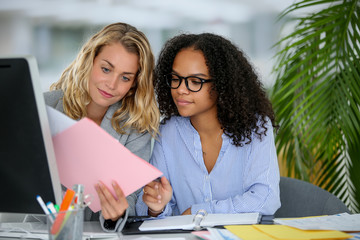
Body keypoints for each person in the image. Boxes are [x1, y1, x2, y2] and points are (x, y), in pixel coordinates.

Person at [136, 33, 281, 217]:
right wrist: (156, 206)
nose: (180, 89)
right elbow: (147, 205)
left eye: (195, 81)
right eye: (175, 79)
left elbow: (266, 198)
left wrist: (200, 212)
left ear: (222, 84)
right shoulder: (168, 132)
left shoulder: (256, 127)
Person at [44, 22, 160, 231]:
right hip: (34, 230)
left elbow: (129, 197)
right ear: (89, 61)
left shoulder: (136, 128)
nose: (112, 84)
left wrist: (116, 215)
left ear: (134, 84)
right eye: (106, 69)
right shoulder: (44, 106)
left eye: (125, 77)